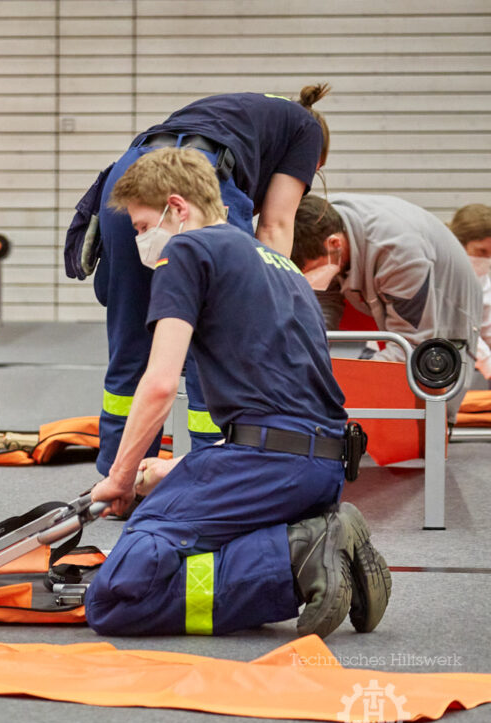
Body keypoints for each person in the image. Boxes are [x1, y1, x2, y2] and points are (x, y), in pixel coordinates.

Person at [86, 147, 390, 638]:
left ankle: (301, 557)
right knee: (189, 534)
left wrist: (120, 479)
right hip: (321, 470)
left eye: (142, 227)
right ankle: (308, 550)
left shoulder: (185, 250)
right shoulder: (280, 264)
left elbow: (160, 383)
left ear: (177, 208)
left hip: (269, 464)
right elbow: (284, 395)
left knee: (119, 593)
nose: (142, 240)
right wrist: (180, 470)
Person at [70, 85, 332, 478]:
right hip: (202, 178)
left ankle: (119, 479)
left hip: (128, 176)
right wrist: (274, 296)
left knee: (130, 343)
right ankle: (212, 473)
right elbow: (276, 226)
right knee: (213, 345)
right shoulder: (305, 132)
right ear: (317, 161)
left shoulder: (243, 108)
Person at [291, 193, 482, 417]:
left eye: (313, 270)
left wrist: (343, 386)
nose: (312, 278)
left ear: (335, 244)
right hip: (389, 282)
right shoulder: (317, 221)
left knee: (428, 405)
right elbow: (324, 301)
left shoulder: (399, 253)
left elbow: (409, 346)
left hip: (448, 305)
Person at [448, 204, 491, 380]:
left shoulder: (481, 276)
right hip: (397, 357)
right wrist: (488, 361)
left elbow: (487, 324)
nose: (487, 259)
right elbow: (459, 326)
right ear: (459, 243)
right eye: (481, 251)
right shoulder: (441, 272)